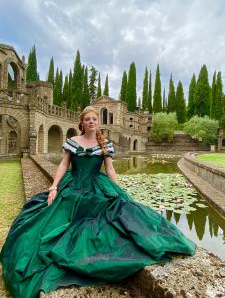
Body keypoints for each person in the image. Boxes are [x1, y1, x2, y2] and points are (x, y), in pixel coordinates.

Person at [0, 106, 196, 298]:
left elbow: (109, 169)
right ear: (82, 123)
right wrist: (54, 186)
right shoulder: (72, 142)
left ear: (98, 122)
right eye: (87, 119)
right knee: (48, 216)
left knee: (119, 213)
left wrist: (118, 189)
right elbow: (63, 164)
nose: (91, 122)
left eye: (94, 119)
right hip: (74, 184)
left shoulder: (105, 144)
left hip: (96, 185)